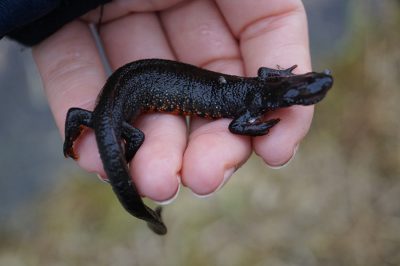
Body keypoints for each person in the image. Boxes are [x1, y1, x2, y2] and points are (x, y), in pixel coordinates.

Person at [12, 0, 315, 204]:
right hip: (136, 87)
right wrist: (257, 126)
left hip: (136, 82)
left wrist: (71, 140)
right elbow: (239, 123)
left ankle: (79, 149)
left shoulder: (260, 96)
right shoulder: (119, 126)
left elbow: (77, 116)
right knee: (132, 135)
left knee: (127, 134)